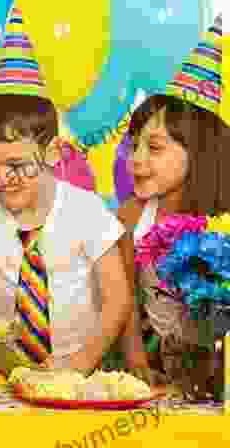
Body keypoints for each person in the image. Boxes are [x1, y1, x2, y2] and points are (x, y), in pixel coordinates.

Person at [0, 8, 141, 379]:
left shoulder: (87, 212)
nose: (1, 179)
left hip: (76, 376)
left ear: (52, 153)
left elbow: (117, 300)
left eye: (16, 165)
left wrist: (79, 365)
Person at [117, 16, 229, 395]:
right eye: (134, 145)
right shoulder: (131, 216)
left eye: (155, 147)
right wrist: (135, 363)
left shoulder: (222, 223)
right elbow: (126, 301)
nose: (136, 159)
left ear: (197, 151)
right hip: (162, 373)